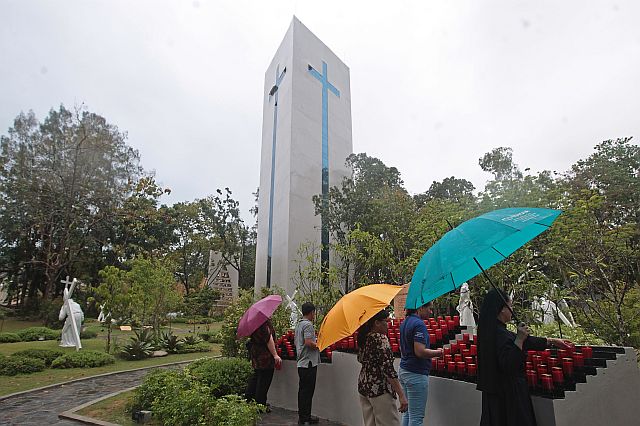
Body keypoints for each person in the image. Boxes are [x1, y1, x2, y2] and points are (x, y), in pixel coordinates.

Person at [477, 289, 573, 426]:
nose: (512, 309)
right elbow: (509, 364)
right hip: (509, 396)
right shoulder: (499, 334)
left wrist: (551, 341)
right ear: (502, 309)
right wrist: (519, 340)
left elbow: (526, 341)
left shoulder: (491, 331)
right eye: (510, 306)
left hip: (496, 394)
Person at [357, 309, 408, 426]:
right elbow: (387, 369)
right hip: (380, 388)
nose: (388, 325)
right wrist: (401, 394)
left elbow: (360, 359)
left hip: (364, 385)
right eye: (386, 321)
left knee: (370, 423)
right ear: (376, 323)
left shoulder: (363, 338)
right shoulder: (381, 339)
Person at [399, 301, 443, 426]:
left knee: (408, 414)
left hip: (404, 370)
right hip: (416, 373)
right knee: (416, 418)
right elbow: (419, 351)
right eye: (429, 308)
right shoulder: (419, 324)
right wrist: (438, 353)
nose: (431, 312)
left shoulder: (405, 322)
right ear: (420, 307)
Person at [245, 319, 282, 411]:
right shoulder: (263, 324)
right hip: (265, 356)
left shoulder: (253, 323)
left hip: (256, 355)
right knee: (264, 381)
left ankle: (249, 400)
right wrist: (275, 355)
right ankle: (260, 405)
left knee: (256, 377)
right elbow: (269, 340)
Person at [295, 302, 320, 425]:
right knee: (307, 391)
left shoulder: (299, 324)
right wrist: (320, 345)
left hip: (301, 362)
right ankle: (305, 418)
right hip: (308, 363)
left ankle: (304, 416)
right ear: (311, 312)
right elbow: (309, 342)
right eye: (314, 313)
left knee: (303, 391)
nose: (314, 315)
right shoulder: (308, 325)